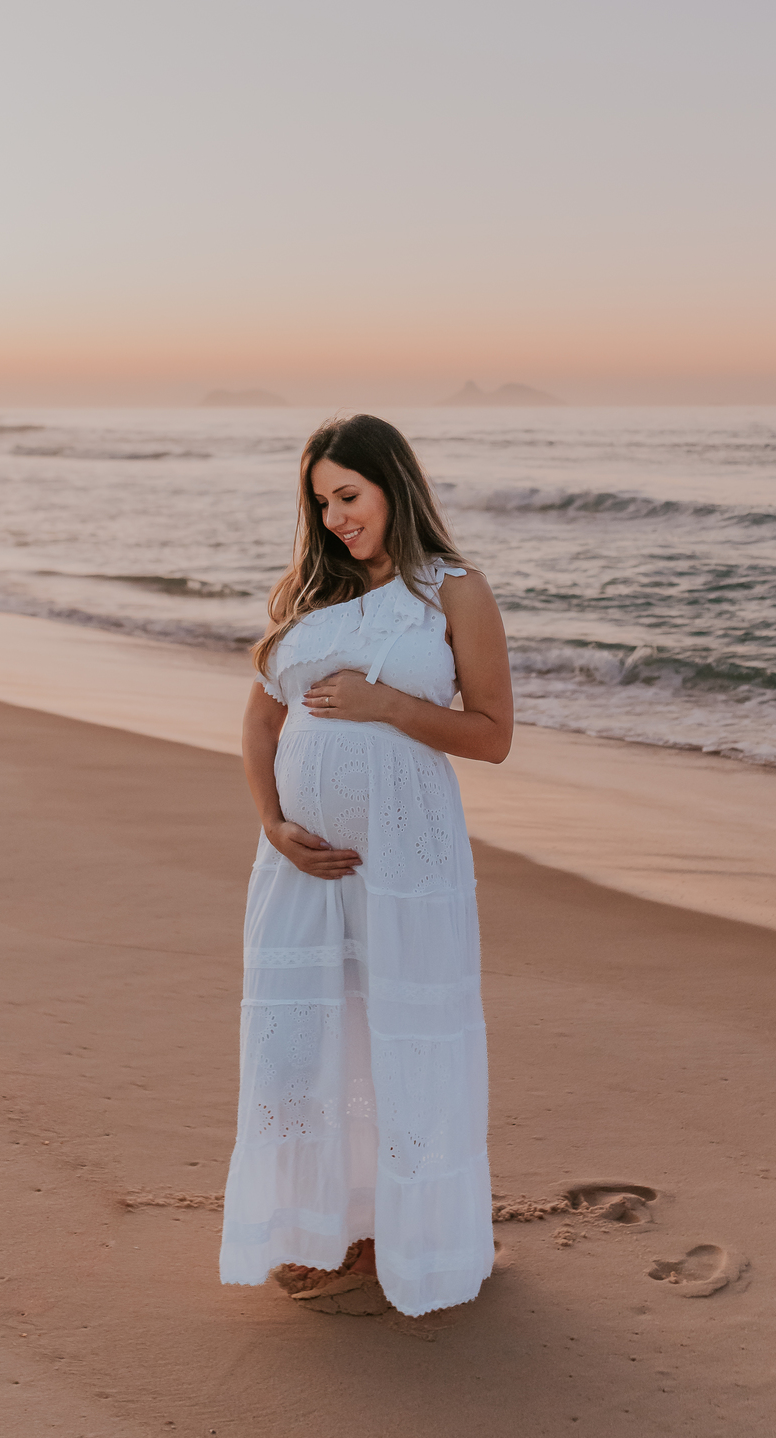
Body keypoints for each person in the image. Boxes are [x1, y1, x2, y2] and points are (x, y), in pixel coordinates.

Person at [219, 413, 514, 1318]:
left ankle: (408, 1234)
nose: (338, 517)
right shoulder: (310, 594)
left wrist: (386, 703)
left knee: (400, 1042)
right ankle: (319, 1224)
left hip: (406, 860)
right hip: (302, 866)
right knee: (298, 1049)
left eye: (349, 495)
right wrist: (271, 823)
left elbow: (493, 737)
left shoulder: (453, 591)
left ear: (394, 483)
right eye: (323, 503)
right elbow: (263, 721)